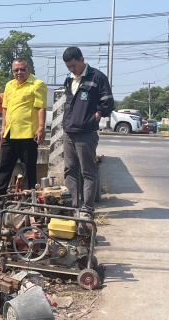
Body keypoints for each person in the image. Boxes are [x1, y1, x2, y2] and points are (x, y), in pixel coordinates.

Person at [0, 58, 47, 204]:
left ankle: (28, 196)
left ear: (29, 69)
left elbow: (41, 107)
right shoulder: (9, 85)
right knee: (5, 164)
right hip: (10, 131)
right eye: (16, 70)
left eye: (22, 69)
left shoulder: (37, 85)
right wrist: (3, 128)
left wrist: (41, 128)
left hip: (28, 132)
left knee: (28, 166)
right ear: (12, 72)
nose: (19, 72)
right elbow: (5, 108)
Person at [62, 47, 114, 211]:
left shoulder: (97, 77)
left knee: (87, 171)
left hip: (86, 133)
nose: (72, 70)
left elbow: (108, 104)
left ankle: (87, 208)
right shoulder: (69, 79)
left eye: (73, 66)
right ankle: (73, 206)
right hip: (68, 132)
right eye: (68, 67)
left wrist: (93, 118)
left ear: (82, 60)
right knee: (70, 170)